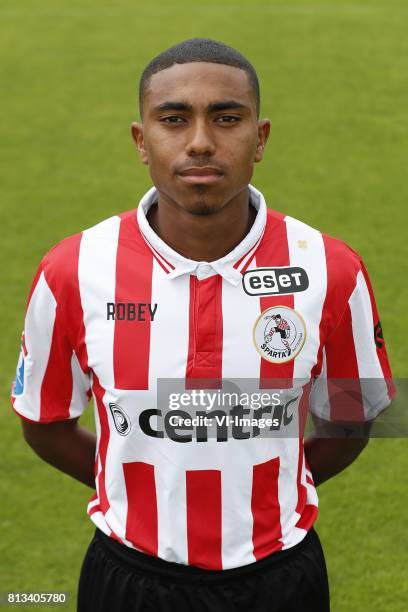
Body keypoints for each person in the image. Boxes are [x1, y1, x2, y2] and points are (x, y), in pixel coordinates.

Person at [11, 38, 394, 612]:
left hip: (281, 575)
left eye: (226, 118)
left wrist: (268, 485)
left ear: (259, 138)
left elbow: (352, 420)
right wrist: (139, 484)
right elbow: (45, 425)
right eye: (173, 119)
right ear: (142, 141)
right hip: (127, 578)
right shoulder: (72, 270)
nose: (199, 142)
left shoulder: (331, 268)